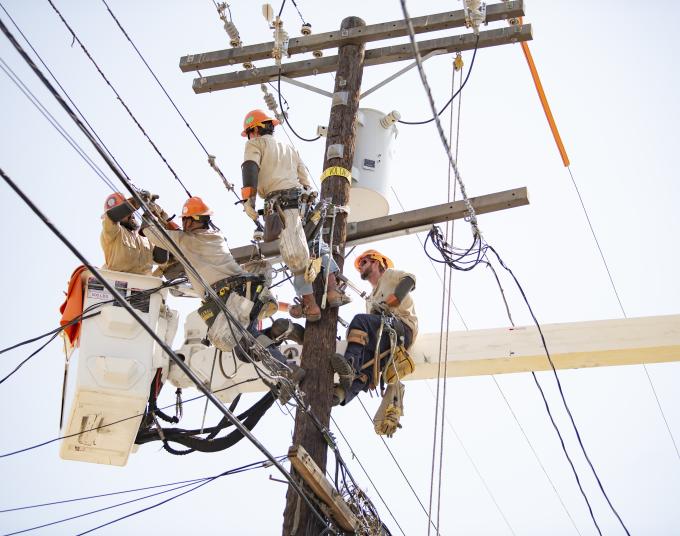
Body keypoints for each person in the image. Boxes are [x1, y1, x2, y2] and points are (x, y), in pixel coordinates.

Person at [143, 196, 304, 400]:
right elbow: (177, 234)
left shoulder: (188, 241)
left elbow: (154, 234)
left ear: (191, 221)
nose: (183, 224)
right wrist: (165, 218)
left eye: (185, 220)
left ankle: (286, 371)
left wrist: (146, 211)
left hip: (230, 296)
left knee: (248, 343)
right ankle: (282, 347)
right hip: (245, 292)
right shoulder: (212, 235)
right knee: (248, 343)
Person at [240, 109, 349, 322]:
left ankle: (311, 305)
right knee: (316, 245)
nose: (250, 136)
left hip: (283, 204)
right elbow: (305, 179)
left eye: (250, 132)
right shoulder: (289, 148)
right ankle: (334, 290)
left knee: (294, 252)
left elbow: (250, 168)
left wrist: (248, 199)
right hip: (303, 202)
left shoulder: (255, 144)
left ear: (255, 129)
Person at [331, 249, 418, 406]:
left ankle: (350, 366)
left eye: (363, 263)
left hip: (402, 328)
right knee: (366, 364)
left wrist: (395, 298)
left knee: (359, 321)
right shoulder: (370, 298)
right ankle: (341, 394)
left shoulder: (389, 275)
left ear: (376, 262)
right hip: (384, 336)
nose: (360, 268)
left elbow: (410, 279)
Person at [100, 192, 155, 275]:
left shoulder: (144, 239)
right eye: (128, 211)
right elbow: (110, 217)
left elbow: (161, 258)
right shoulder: (112, 232)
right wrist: (135, 201)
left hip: (146, 285)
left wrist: (156, 220)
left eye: (132, 212)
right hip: (117, 283)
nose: (132, 215)